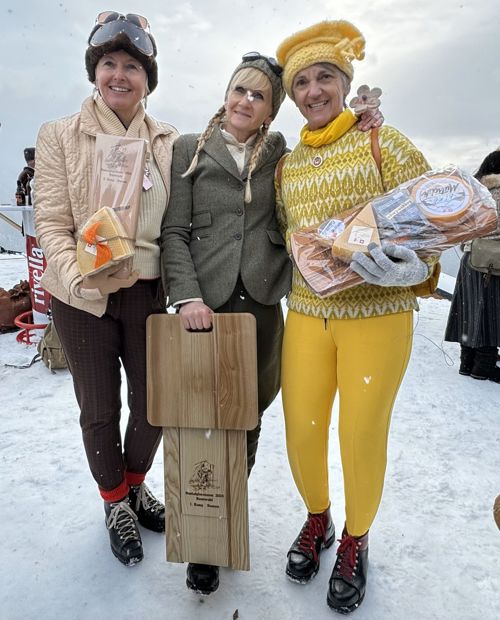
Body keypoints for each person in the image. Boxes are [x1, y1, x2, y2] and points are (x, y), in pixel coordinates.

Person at [161, 50, 382, 596]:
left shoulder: (280, 151)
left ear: (270, 112)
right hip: (202, 309)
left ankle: (227, 513)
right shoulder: (190, 150)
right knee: (198, 420)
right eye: (239, 90)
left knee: (248, 417)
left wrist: (365, 120)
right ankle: (203, 543)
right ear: (226, 93)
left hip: (260, 305)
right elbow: (174, 233)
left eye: (258, 96)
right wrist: (186, 296)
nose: (245, 101)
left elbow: (328, 149)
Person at [275, 20, 438, 613]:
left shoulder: (383, 143)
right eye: (302, 83)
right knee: (302, 433)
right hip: (308, 316)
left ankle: (354, 539)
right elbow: (283, 237)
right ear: (291, 95)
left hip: (378, 316)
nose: (314, 91)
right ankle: (317, 519)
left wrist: (412, 268)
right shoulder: (287, 166)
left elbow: (434, 220)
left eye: (325, 77)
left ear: (345, 83)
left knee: (359, 434)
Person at [34, 12, 178, 566]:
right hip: (84, 296)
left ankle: (136, 482)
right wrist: (74, 276)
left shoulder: (166, 141)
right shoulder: (60, 136)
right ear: (95, 72)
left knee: (153, 405)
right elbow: (50, 219)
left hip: (146, 292)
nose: (120, 75)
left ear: (148, 78)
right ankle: (114, 500)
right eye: (109, 64)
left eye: (133, 67)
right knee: (98, 405)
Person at [444, 149, 500, 382]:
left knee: (468, 311)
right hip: (494, 262)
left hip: (470, 259)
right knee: (491, 313)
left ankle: (467, 363)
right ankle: (484, 367)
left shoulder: (474, 189)